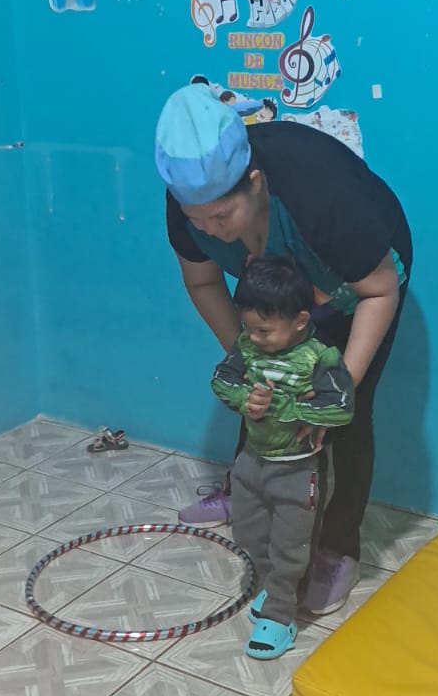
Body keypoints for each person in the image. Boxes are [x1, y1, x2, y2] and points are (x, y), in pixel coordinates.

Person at [155, 83, 412, 619]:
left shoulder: (322, 195)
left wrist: (337, 389)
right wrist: (251, 362)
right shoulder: (187, 205)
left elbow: (378, 290)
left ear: (255, 183)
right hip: (280, 280)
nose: (209, 230)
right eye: (197, 221)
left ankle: (339, 546)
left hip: (361, 282)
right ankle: (250, 489)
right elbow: (203, 282)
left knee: (347, 414)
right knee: (264, 387)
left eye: (220, 219)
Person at [210, 256, 354, 659]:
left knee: (291, 546)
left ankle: (280, 614)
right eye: (249, 328)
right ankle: (274, 588)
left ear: (300, 320)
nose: (254, 338)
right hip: (252, 461)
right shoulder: (246, 347)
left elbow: (343, 407)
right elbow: (221, 379)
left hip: (299, 469)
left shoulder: (320, 357)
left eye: (264, 330)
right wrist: (245, 400)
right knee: (249, 536)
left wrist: (294, 410)